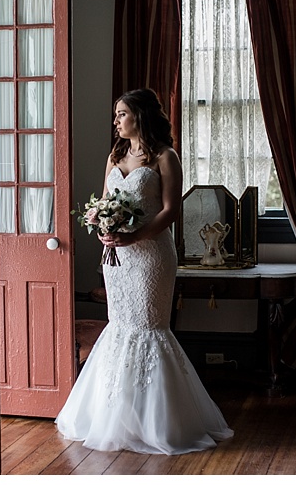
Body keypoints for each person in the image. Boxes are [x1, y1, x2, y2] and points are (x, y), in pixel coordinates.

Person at [55, 88, 234, 455]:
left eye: (122, 114)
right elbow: (105, 200)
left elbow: (170, 211)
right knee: (119, 326)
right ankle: (114, 416)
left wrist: (135, 234)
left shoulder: (166, 157)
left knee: (149, 328)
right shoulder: (116, 155)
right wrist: (103, 225)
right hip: (117, 258)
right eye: (116, 115)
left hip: (151, 256)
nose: (116, 121)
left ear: (141, 116)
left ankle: (158, 421)